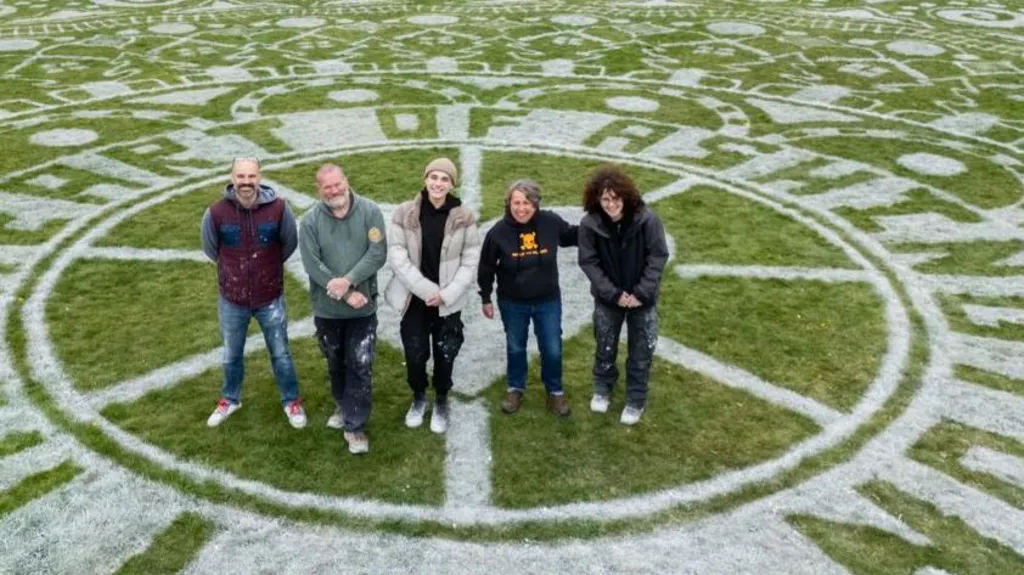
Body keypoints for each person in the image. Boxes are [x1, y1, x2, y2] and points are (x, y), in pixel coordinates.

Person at [200, 157, 306, 429]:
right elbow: (211, 249)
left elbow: (289, 243)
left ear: (259, 177)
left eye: (251, 176)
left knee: (281, 353)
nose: (246, 182)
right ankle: (230, 399)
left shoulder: (280, 209)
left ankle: (291, 401)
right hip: (232, 299)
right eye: (241, 176)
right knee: (231, 354)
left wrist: (266, 270)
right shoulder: (215, 213)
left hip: (270, 297)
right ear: (232, 178)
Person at [385, 158, 480, 434]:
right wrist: (428, 291)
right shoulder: (404, 213)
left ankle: (440, 399)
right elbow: (398, 257)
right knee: (415, 353)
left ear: (452, 184)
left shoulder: (464, 217)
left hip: (448, 302)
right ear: (425, 179)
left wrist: (446, 295)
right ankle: (418, 397)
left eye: (444, 179)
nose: (438, 183)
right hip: (414, 300)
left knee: (445, 352)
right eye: (434, 177)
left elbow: (470, 260)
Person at [299, 163, 387, 455]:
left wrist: (348, 281)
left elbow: (377, 253)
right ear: (319, 189)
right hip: (328, 310)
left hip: (363, 308)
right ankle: (343, 404)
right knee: (335, 362)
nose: (334, 190)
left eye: (337, 184)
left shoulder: (370, 212)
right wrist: (346, 293)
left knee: (360, 363)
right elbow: (312, 265)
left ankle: (355, 426)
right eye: (327, 187)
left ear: (346, 181)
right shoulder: (310, 222)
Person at [478, 179, 578, 417]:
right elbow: (486, 267)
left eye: (527, 203)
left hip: (548, 301)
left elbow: (572, 236)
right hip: (512, 302)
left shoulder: (550, 222)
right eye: (516, 202)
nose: (521, 208)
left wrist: (599, 223)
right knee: (516, 347)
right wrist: (486, 297)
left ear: (536, 203)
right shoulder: (498, 232)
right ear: (508, 203)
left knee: (552, 348)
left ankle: (555, 391)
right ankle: (515, 388)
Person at [578, 164, 669, 425]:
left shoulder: (648, 220)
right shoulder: (589, 224)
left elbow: (657, 256)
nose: (610, 205)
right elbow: (589, 262)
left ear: (626, 197)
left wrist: (640, 293)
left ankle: (635, 399)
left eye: (615, 198)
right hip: (608, 301)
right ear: (597, 199)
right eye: (605, 199)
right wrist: (614, 294)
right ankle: (602, 388)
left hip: (643, 301)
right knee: (604, 346)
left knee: (641, 352)